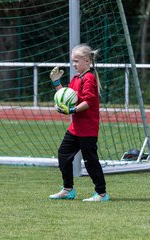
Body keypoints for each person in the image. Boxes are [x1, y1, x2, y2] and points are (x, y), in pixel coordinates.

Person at [48, 44, 110, 202]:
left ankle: (101, 194)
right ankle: (68, 190)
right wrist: (56, 83)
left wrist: (71, 111)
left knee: (90, 161)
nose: (74, 64)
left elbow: (88, 102)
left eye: (76, 61)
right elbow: (67, 96)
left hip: (87, 129)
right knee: (63, 154)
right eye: (72, 61)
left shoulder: (89, 78)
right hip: (75, 128)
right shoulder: (76, 78)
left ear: (87, 61)